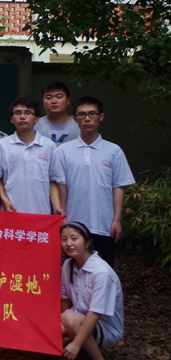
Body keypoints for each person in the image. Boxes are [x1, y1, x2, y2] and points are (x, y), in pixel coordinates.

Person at [54, 97, 135, 268]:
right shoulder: (63, 151)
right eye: (82, 115)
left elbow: (118, 187)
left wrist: (117, 220)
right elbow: (61, 185)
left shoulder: (113, 151)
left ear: (101, 116)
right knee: (74, 271)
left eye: (92, 114)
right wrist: (64, 217)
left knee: (104, 271)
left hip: (104, 224)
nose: (87, 119)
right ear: (75, 119)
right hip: (74, 224)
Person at [60, 221, 124, 360]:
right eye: (64, 239)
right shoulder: (68, 265)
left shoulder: (101, 272)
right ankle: (81, 345)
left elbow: (95, 313)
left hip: (105, 328)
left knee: (69, 319)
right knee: (53, 333)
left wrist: (76, 343)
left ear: (87, 242)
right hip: (76, 319)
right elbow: (65, 300)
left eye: (74, 238)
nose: (69, 243)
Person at [0, 97, 63, 215]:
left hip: (41, 212)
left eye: (27, 113)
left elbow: (53, 180)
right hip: (11, 211)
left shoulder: (49, 145)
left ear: (37, 119)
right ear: (11, 119)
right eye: (17, 113)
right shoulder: (2, 145)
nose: (22, 117)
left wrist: (57, 206)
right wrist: (4, 200)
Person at [36, 81, 80, 146]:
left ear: (68, 100)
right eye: (49, 98)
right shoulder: (34, 126)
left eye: (59, 97)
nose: (54, 101)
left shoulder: (79, 125)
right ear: (43, 102)